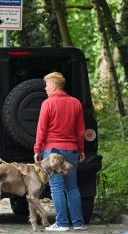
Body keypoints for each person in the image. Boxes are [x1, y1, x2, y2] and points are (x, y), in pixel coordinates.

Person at [33, 72, 87, 231]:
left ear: (54, 86)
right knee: (72, 187)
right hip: (72, 149)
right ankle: (78, 223)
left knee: (57, 187)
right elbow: (80, 130)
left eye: (47, 85)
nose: (45, 88)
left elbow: (41, 129)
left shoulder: (47, 104)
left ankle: (62, 223)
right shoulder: (76, 103)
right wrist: (81, 149)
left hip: (52, 151)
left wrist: (37, 148)